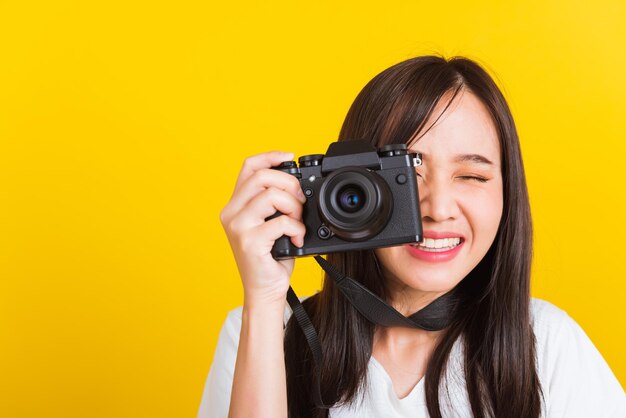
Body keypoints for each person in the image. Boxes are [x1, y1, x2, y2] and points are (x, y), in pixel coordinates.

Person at [198, 56, 626, 418]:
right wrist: (265, 302)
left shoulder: (548, 345)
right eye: (406, 176)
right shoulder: (260, 331)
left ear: (507, 195)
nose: (438, 208)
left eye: (473, 175)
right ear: (348, 187)